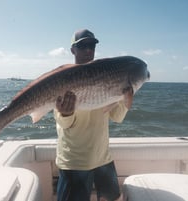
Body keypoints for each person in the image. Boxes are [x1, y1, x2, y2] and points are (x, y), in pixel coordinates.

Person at [54, 29, 128, 201]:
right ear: (73, 50)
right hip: (74, 162)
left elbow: (117, 117)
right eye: (82, 46)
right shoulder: (64, 79)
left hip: (103, 158)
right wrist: (66, 114)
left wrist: (126, 98)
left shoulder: (108, 78)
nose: (88, 50)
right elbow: (63, 124)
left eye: (92, 45)